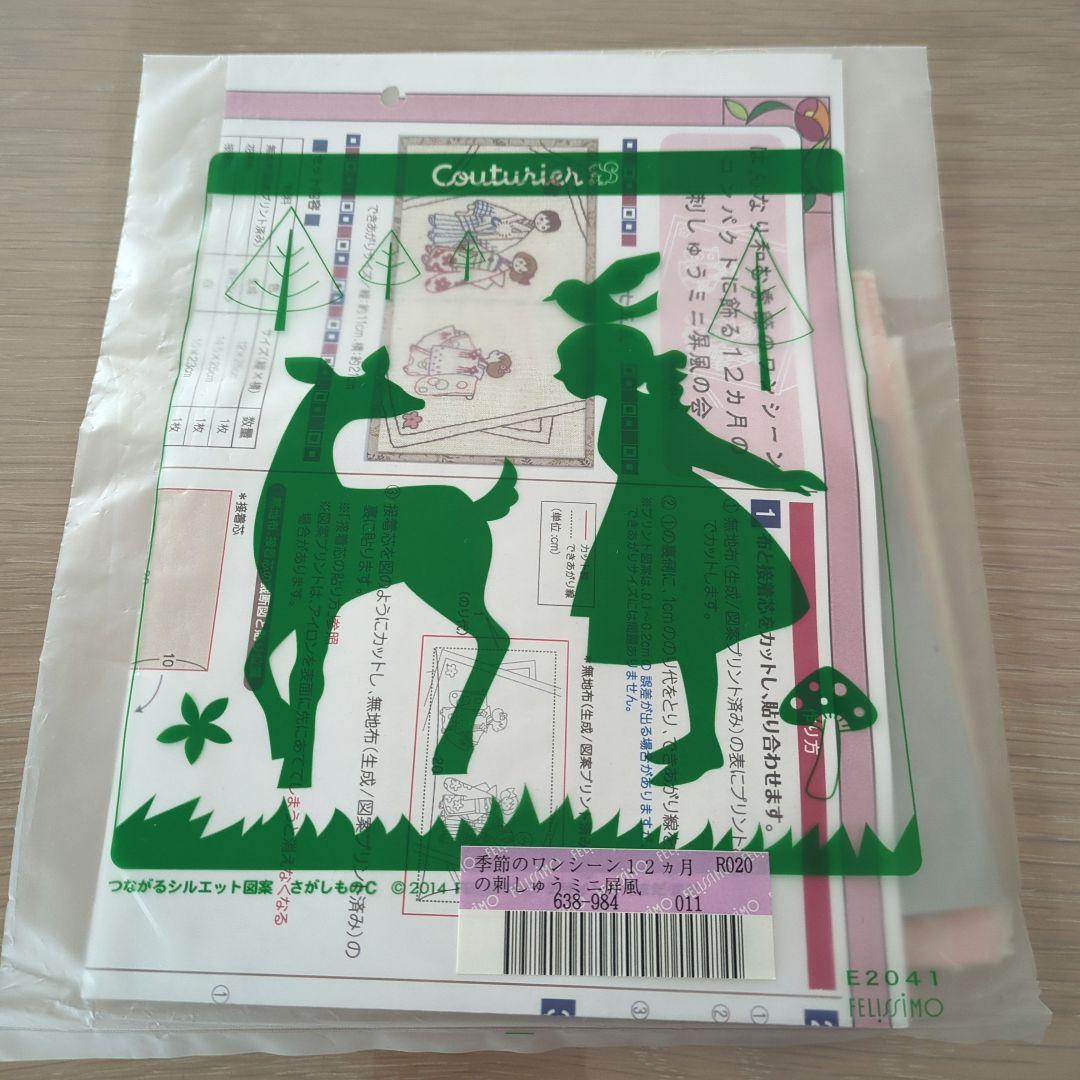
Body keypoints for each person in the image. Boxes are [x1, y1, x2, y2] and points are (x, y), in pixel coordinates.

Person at [554, 322, 824, 787]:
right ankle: (703, 739)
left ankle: (704, 741)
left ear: (603, 369)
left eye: (570, 366)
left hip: (681, 527)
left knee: (691, 635)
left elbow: (714, 454)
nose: (562, 375)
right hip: (650, 525)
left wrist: (778, 479)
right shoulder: (626, 406)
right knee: (686, 638)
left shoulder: (645, 410)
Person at [427, 202, 561, 257]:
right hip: (483, 223)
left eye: (543, 226)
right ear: (540, 213)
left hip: (487, 234)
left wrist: (486, 239)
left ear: (543, 231)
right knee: (459, 223)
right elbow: (501, 213)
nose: (540, 223)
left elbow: (505, 241)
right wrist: (493, 218)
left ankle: (437, 236)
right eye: (542, 219)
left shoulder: (523, 233)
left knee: (460, 235)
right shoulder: (519, 217)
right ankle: (438, 221)